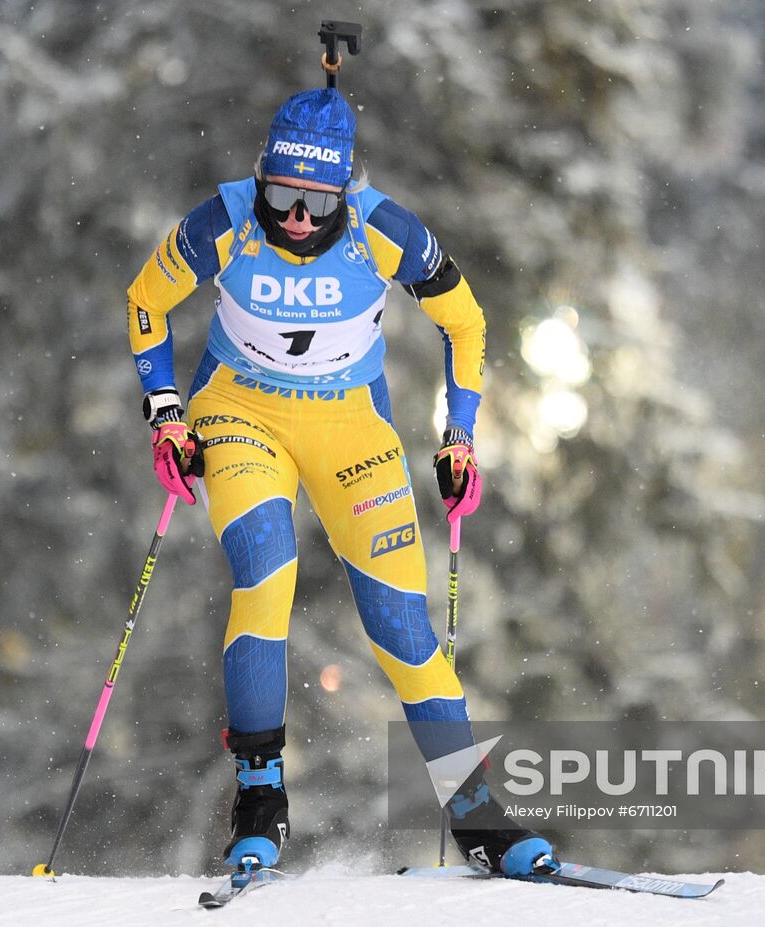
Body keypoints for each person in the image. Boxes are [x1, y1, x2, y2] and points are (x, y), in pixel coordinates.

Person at [125, 86, 556, 876]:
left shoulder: (383, 230)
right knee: (267, 570)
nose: (295, 216)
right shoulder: (220, 221)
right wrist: (166, 415)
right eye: (282, 194)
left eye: (315, 199)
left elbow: (466, 321)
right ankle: (259, 800)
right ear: (261, 180)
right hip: (240, 414)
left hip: (351, 427)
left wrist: (459, 436)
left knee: (401, 626)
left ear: (343, 190)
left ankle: (477, 812)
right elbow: (145, 303)